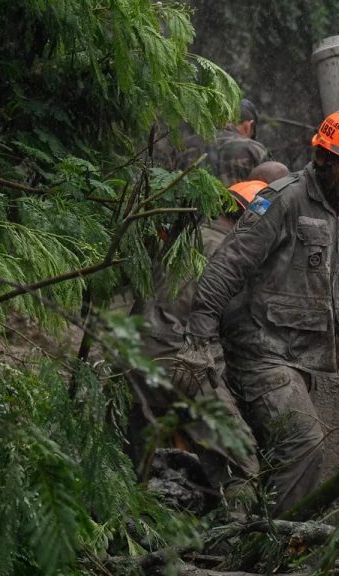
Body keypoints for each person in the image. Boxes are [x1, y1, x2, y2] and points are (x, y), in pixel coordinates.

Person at [183, 105, 339, 516]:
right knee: (303, 443)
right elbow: (227, 268)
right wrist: (198, 339)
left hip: (307, 359)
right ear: (322, 157)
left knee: (278, 455)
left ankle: (254, 524)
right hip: (261, 353)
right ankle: (277, 537)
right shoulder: (282, 201)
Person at [127, 167, 287, 497]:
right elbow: (240, 330)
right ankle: (242, 526)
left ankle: (120, 524)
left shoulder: (181, 240)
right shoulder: (233, 256)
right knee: (239, 466)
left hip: (130, 356)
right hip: (186, 363)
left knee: (126, 469)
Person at [176, 98, 272, 186]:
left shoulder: (184, 146)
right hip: (241, 200)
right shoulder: (254, 149)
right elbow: (272, 189)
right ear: (248, 126)